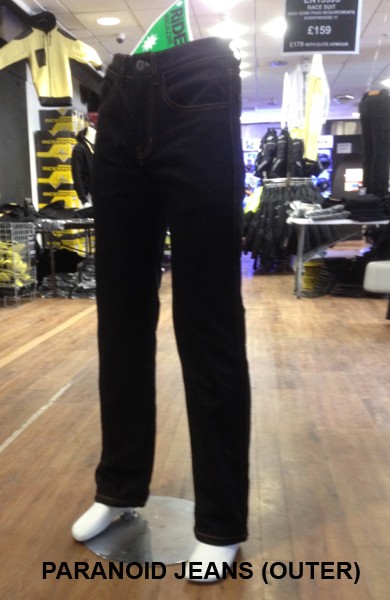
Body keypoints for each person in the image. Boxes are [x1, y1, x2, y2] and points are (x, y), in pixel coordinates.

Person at [71, 36, 251, 583]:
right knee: (119, 321)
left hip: (200, 89)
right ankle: (119, 488)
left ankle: (221, 523)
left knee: (208, 322)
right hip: (118, 94)